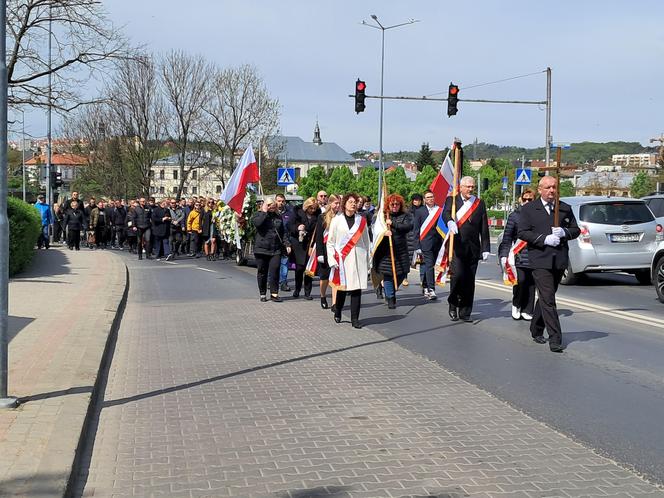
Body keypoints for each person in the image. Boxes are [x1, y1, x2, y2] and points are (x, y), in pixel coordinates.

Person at [518, 176, 580, 353]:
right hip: (540, 259)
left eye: (554, 187)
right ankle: (555, 338)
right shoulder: (530, 209)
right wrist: (544, 239)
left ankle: (536, 328)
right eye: (548, 188)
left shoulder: (564, 208)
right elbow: (522, 232)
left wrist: (564, 232)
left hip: (559, 259)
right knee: (549, 299)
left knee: (547, 297)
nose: (552, 190)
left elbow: (576, 230)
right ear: (540, 190)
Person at [443, 176, 490, 322]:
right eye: (468, 186)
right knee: (457, 277)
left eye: (472, 187)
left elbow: (484, 226)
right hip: (457, 246)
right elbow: (445, 213)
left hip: (473, 248)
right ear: (461, 187)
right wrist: (450, 222)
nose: (470, 189)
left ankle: (465, 312)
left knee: (469, 281)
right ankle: (453, 304)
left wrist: (485, 247)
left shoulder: (479, 203)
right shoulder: (452, 200)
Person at [326, 193, 371, 329]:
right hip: (342, 259)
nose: (353, 204)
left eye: (355, 202)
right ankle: (338, 310)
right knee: (342, 289)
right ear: (344, 203)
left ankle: (355, 319)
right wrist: (332, 259)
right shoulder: (337, 220)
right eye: (350, 201)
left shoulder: (361, 220)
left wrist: (369, 260)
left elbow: (366, 241)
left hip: (358, 258)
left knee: (356, 289)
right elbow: (330, 242)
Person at [499, 189, 536, 321]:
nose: (527, 202)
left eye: (530, 199)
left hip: (534, 255)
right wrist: (504, 255)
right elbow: (507, 237)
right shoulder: (515, 216)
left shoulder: (539, 215)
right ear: (520, 200)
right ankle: (516, 304)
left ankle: (528, 310)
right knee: (520, 281)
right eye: (524, 199)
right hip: (518, 255)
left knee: (532, 284)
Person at [373, 194, 413, 309]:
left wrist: (393, 224)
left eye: (397, 204)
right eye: (392, 204)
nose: (395, 206)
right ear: (388, 205)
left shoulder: (405, 216)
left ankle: (390, 290)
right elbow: (374, 230)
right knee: (388, 275)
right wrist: (383, 233)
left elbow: (408, 227)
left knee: (402, 274)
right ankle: (390, 297)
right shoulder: (382, 216)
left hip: (400, 251)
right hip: (386, 251)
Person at [252, 196, 290, 302]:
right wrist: (264, 212)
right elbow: (258, 224)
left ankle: (274, 294)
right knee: (262, 271)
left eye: (272, 205)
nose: (271, 207)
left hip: (275, 249)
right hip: (261, 249)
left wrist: (287, 244)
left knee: (275, 270)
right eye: (268, 205)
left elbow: (283, 232)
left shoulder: (278, 217)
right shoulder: (258, 215)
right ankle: (263, 293)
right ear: (264, 205)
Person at [412, 190, 443, 300]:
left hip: (437, 243)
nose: (430, 199)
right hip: (425, 243)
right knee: (429, 265)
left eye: (431, 197)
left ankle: (425, 285)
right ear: (424, 200)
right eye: (428, 197)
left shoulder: (439, 210)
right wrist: (417, 246)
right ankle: (431, 289)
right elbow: (416, 229)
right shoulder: (420, 211)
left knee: (431, 265)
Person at [288, 197, 319, 299]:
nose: (313, 210)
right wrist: (297, 228)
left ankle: (307, 292)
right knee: (299, 268)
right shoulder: (297, 212)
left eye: (314, 208)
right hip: (299, 244)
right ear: (306, 206)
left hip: (311, 244)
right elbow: (290, 226)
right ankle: (297, 289)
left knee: (309, 269)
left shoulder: (317, 215)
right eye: (311, 208)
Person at [315, 194, 340, 310]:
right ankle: (323, 295)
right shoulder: (322, 217)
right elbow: (319, 237)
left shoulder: (341, 217)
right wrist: (319, 253)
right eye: (335, 203)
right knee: (324, 277)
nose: (338, 205)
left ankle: (335, 303)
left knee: (336, 275)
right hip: (325, 250)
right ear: (330, 204)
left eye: (339, 203)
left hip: (337, 250)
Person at [275, 194, 294, 291]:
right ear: (275, 201)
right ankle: (272, 281)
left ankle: (283, 282)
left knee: (284, 263)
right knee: (273, 264)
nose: (280, 203)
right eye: (278, 201)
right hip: (273, 242)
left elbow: (289, 229)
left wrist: (288, 244)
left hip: (285, 242)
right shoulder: (272, 213)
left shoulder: (289, 214)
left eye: (282, 201)